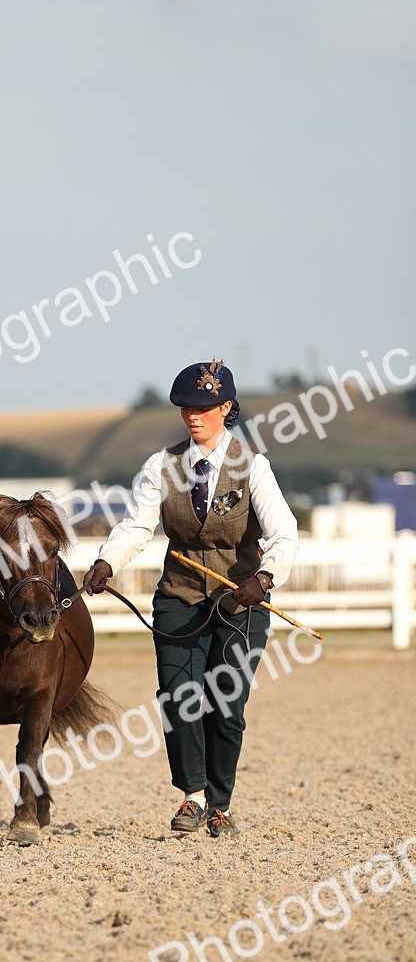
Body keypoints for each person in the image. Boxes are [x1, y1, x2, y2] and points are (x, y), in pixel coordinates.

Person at [83, 359, 298, 838]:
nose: (192, 416)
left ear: (226, 407)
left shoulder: (254, 468)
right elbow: (136, 526)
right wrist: (107, 561)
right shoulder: (161, 466)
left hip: (240, 602)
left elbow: (285, 534)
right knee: (180, 698)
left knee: (228, 705)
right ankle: (193, 796)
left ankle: (220, 804)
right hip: (178, 596)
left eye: (203, 407)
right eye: (185, 408)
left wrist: (263, 580)